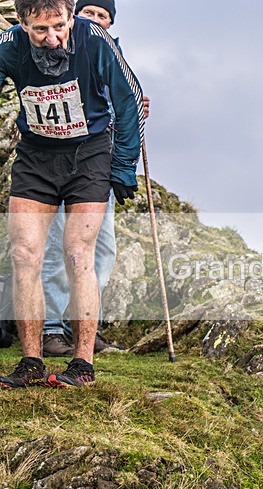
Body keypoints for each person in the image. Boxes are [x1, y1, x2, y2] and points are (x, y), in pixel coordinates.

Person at [0, 0, 144, 389]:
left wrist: (123, 166)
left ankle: (83, 363)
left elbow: (129, 100)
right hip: (37, 156)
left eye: (60, 26)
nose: (53, 38)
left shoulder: (93, 37)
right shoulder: (7, 44)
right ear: (23, 22)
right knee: (23, 253)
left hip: (89, 154)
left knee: (78, 252)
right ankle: (30, 360)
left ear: (70, 15)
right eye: (40, 31)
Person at [40, 0, 148, 357]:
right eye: (90, 12)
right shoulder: (67, 50)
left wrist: (135, 112)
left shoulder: (114, 57)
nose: (97, 20)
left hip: (103, 167)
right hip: (61, 162)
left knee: (102, 248)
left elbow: (124, 107)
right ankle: (52, 329)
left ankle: (84, 326)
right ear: (74, 17)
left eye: (104, 15)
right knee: (59, 244)